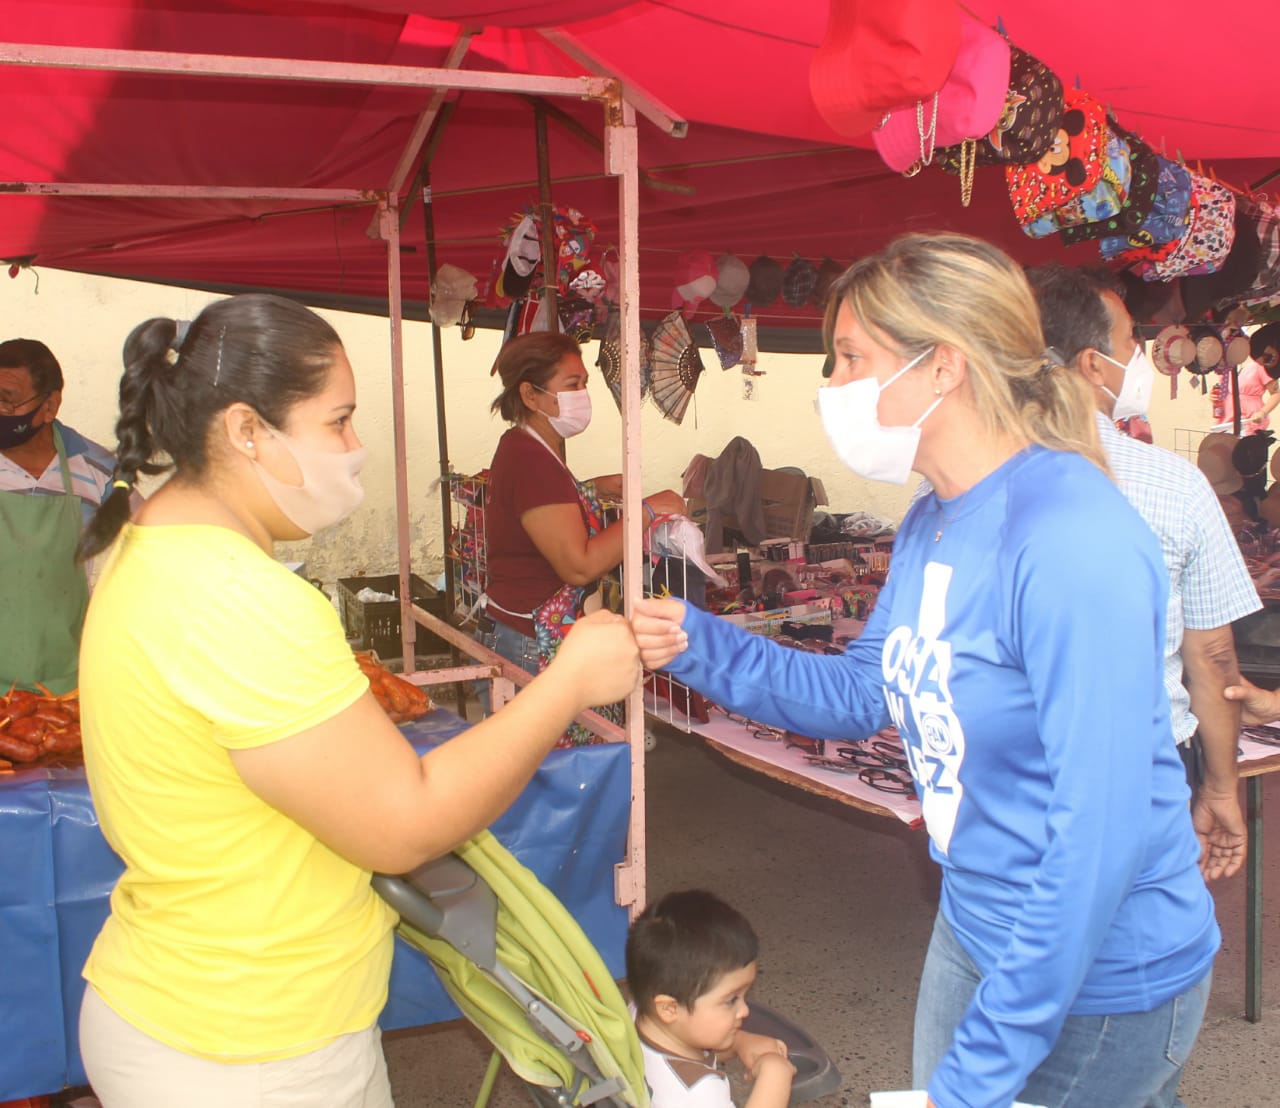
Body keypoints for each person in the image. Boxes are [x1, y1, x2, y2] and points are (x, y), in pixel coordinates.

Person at [630, 234, 1219, 1108]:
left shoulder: (1070, 536)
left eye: (850, 358)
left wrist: (976, 1076)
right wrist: (694, 641)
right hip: (977, 924)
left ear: (943, 365)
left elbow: (1099, 834)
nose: (831, 384)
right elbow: (863, 690)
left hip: (1094, 975)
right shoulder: (933, 517)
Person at [73, 294, 641, 1108]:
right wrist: (568, 684)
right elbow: (404, 823)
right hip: (253, 1048)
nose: (356, 447)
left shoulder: (150, 545)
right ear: (246, 430)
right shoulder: (238, 595)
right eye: (338, 421)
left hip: (192, 1006)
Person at [1028, 263, 1260, 881]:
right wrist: (1220, 785)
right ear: (1092, 364)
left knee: (1009, 921)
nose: (1138, 354)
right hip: (1144, 762)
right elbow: (1211, 655)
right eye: (1130, 339)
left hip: (1007, 765)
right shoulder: (1173, 482)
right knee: (1147, 926)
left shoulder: (953, 479)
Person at [479, 330, 683, 742]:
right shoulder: (530, 458)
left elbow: (540, 511)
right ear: (530, 395)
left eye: (585, 383)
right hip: (533, 644)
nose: (583, 395)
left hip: (527, 633)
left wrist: (589, 489)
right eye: (572, 385)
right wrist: (646, 512)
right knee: (555, 769)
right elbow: (578, 565)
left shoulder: (530, 447)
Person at [0, 338, 119, 693]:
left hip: (65, 686)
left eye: (6, 400)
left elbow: (151, 540)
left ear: (50, 405)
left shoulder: (96, 469)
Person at [626, 889, 794, 1108]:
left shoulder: (637, 1014)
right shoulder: (697, 1094)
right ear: (669, 1009)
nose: (744, 1010)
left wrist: (739, 1042)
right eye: (731, 1000)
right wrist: (776, 1075)